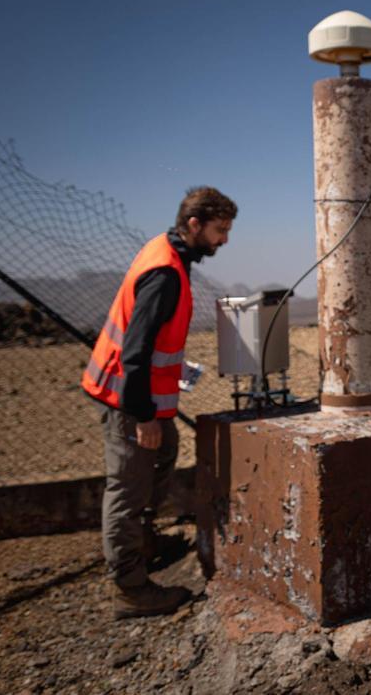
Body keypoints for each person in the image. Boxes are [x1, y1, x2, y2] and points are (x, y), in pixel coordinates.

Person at [82, 186, 236, 618]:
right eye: (219, 230)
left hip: (135, 392)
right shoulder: (165, 273)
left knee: (164, 451)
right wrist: (142, 416)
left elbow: (151, 343)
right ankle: (129, 588)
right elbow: (135, 350)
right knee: (127, 489)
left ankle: (144, 542)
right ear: (194, 225)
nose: (223, 240)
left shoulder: (168, 254)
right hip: (125, 398)